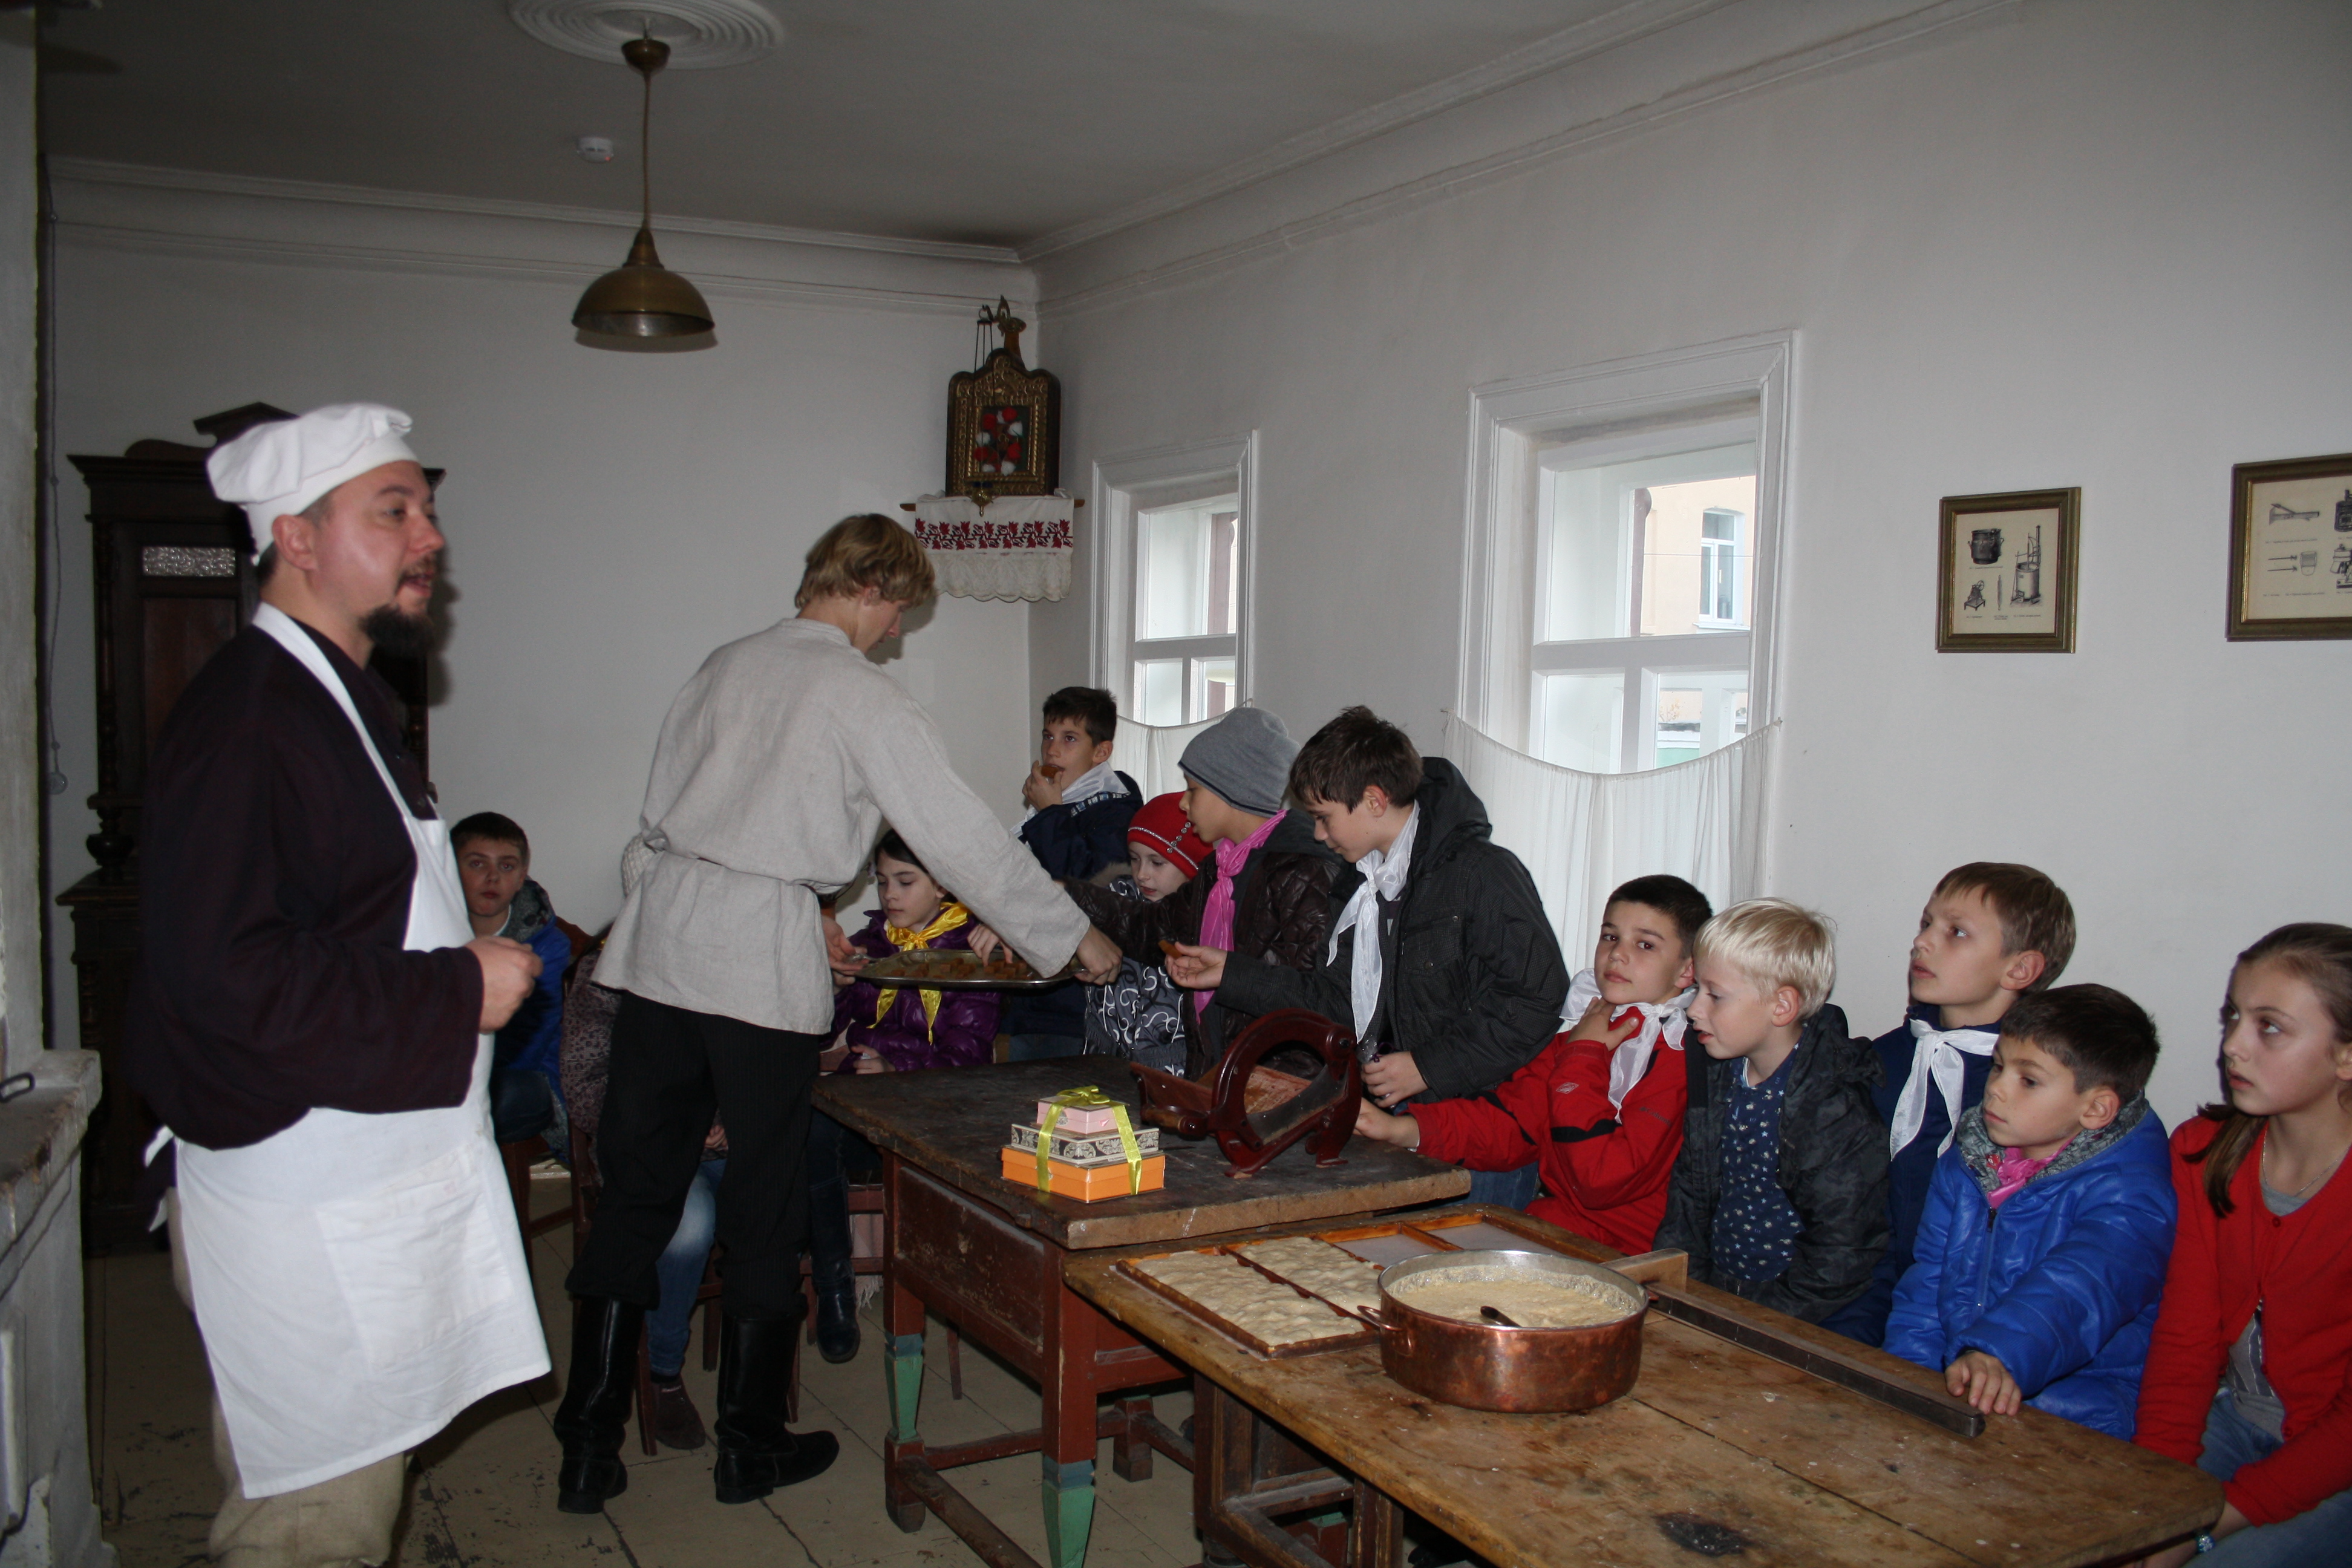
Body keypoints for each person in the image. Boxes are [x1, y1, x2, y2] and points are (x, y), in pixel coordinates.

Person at [558, 513, 1122, 1513]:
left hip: (661, 948)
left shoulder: (723, 665)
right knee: (765, 1202)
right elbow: (961, 838)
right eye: (897, 610)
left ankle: (587, 1445)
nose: (894, 630)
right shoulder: (863, 696)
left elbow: (664, 827)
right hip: (753, 969)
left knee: (638, 1191)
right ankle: (749, 1444)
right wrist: (1074, 936)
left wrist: (784, 903)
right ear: (870, 589)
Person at [122, 403, 548, 1564]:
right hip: (300, 1203)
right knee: (309, 1531)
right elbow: (228, 976)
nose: (430, 536)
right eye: (392, 511)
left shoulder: (339, 695)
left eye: (428, 509)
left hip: (358, 1176)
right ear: (296, 538)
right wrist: (455, 989)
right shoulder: (251, 715)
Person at [1169, 707, 1567, 1206]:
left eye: (1324, 818)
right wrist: (1232, 973)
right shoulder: (1362, 882)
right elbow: (1337, 1001)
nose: (1318, 834)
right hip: (1401, 1125)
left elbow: (1537, 999)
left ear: (1374, 801)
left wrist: (1430, 1066)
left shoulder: (1481, 874)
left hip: (1479, 1139)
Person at [2130, 924, 2352, 1567]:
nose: (2233, 1044)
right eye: (2233, 1016)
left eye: (2269, 1027)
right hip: (2239, 1422)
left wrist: (2202, 1529)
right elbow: (2185, 1343)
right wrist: (2154, 1506)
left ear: (2347, 1056)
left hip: (2335, 1461)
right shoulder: (2204, 1151)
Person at [1353, 875, 1712, 1252]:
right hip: (1561, 1228)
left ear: (1687, 970)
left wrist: (1583, 1057)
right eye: (1610, 936)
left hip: (1635, 1256)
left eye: (1645, 944)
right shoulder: (1584, 1035)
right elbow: (1512, 1122)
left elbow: (1600, 1180)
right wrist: (1400, 1130)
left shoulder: (1681, 1059)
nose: (1617, 954)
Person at [1881, 985, 2174, 1437]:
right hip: (1962, 1388)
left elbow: (2080, 1288)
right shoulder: (1968, 1162)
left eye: (2029, 1080)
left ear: (2097, 1109)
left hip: (2075, 1415)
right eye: (1999, 1066)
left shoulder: (2131, 1194)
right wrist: (1908, 1381)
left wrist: (1997, 1353)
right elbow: (1927, 1286)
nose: (1996, 1088)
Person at [1848, 862, 2076, 1346]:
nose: (1922, 942)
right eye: (1926, 923)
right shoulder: (1882, 1062)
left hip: (1984, 1331)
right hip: (1874, 1312)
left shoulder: (2040, 1095)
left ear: (2019, 969)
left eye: (1956, 932)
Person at [1057, 707, 1341, 1077]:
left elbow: (1314, 1003)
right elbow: (1150, 927)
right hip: (1223, 1074)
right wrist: (1068, 893)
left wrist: (1230, 975)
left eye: (1193, 790)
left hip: (1272, 1086)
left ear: (1230, 792)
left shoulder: (1303, 871)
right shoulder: (1220, 867)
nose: (1183, 802)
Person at [809, 831, 1003, 1361]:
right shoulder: (870, 944)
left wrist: (897, 1068)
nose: (889, 894)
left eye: (905, 881)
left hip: (937, 1115)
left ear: (941, 885)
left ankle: (931, 1282)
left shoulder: (973, 952)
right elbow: (821, 1034)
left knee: (823, 1133)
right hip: (867, 1108)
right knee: (810, 1132)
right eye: (881, 882)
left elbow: (969, 1058)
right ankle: (834, 1289)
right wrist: (835, 988)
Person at [1655, 899, 1888, 1322]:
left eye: (1715, 996)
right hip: (1718, 1290)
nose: (1693, 1009)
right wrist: (1683, 1287)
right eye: (1697, 990)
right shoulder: (1717, 1073)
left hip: (1799, 1311)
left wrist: (1766, 1319)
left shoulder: (1833, 1107)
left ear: (1782, 1006)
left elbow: (1841, 1247)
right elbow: (1689, 1193)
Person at [560, 941, 725, 1451]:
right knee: (689, 1224)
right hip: (645, 1146)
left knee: (781, 1197)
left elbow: (761, 1065)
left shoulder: (730, 957)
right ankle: (663, 1372)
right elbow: (585, 1086)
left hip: (730, 1139)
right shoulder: (608, 970)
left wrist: (733, 1120)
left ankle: (754, 1411)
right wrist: (683, 1126)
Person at [1004, 686, 1140, 1060]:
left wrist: (1051, 813)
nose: (1052, 750)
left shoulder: (1116, 811)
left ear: (1101, 752)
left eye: (1069, 739)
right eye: (1048, 736)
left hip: (1077, 1004)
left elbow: (1091, 888)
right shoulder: (1054, 806)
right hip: (1033, 993)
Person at [454, 811, 576, 1156]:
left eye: (506, 866)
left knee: (496, 1093)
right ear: (450, 869)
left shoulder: (548, 946)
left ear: (522, 877)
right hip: (441, 1069)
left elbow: (528, 1043)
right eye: (477, 864)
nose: (492, 877)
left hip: (525, 1076)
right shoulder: (429, 931)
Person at [1082, 793, 1209, 1076]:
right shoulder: (1116, 899)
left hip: (1175, 1068)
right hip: (1104, 1057)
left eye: (1157, 863)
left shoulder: (1207, 921)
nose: (1141, 874)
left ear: (1192, 865)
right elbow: (1065, 917)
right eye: (1134, 859)